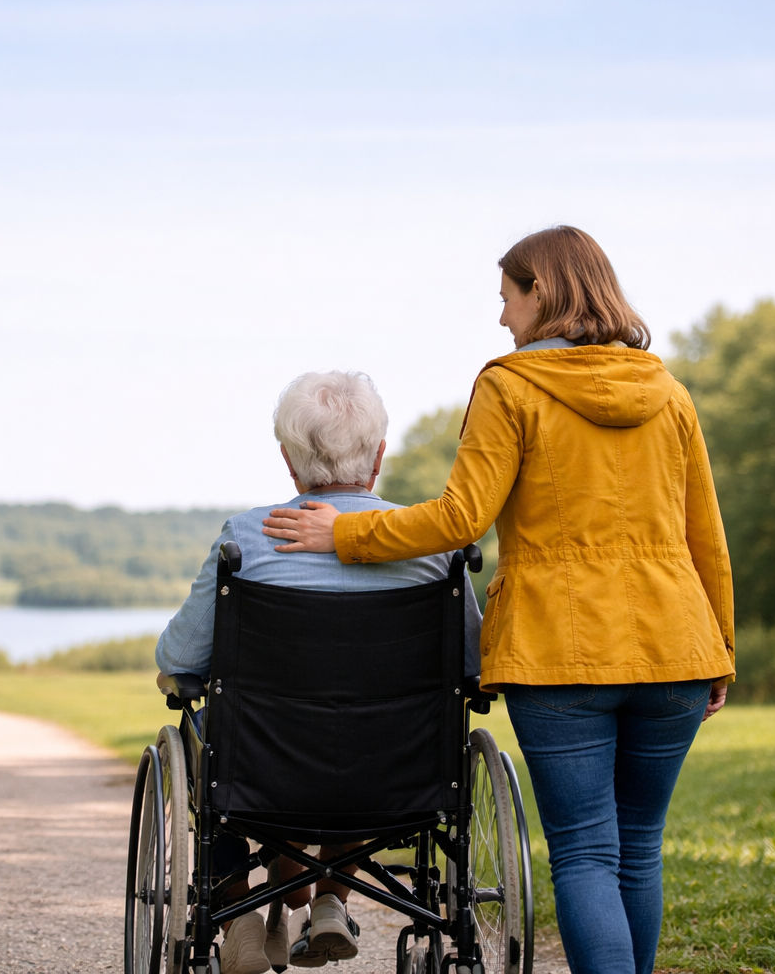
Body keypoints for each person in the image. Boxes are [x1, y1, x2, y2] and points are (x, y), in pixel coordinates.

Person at [261, 226, 735, 974]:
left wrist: (345, 537)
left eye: (507, 298)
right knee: (639, 849)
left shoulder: (511, 386)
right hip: (676, 644)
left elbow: (459, 518)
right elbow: (704, 533)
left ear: (540, 290)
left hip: (561, 650)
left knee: (584, 850)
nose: (503, 319)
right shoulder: (667, 392)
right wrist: (722, 650)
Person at [156, 369, 483, 974]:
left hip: (263, 776)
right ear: (379, 455)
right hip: (398, 775)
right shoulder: (432, 547)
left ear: (288, 458)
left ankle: (239, 915)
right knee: (367, 732)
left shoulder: (246, 541)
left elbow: (179, 661)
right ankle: (331, 899)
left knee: (200, 731)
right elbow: (473, 667)